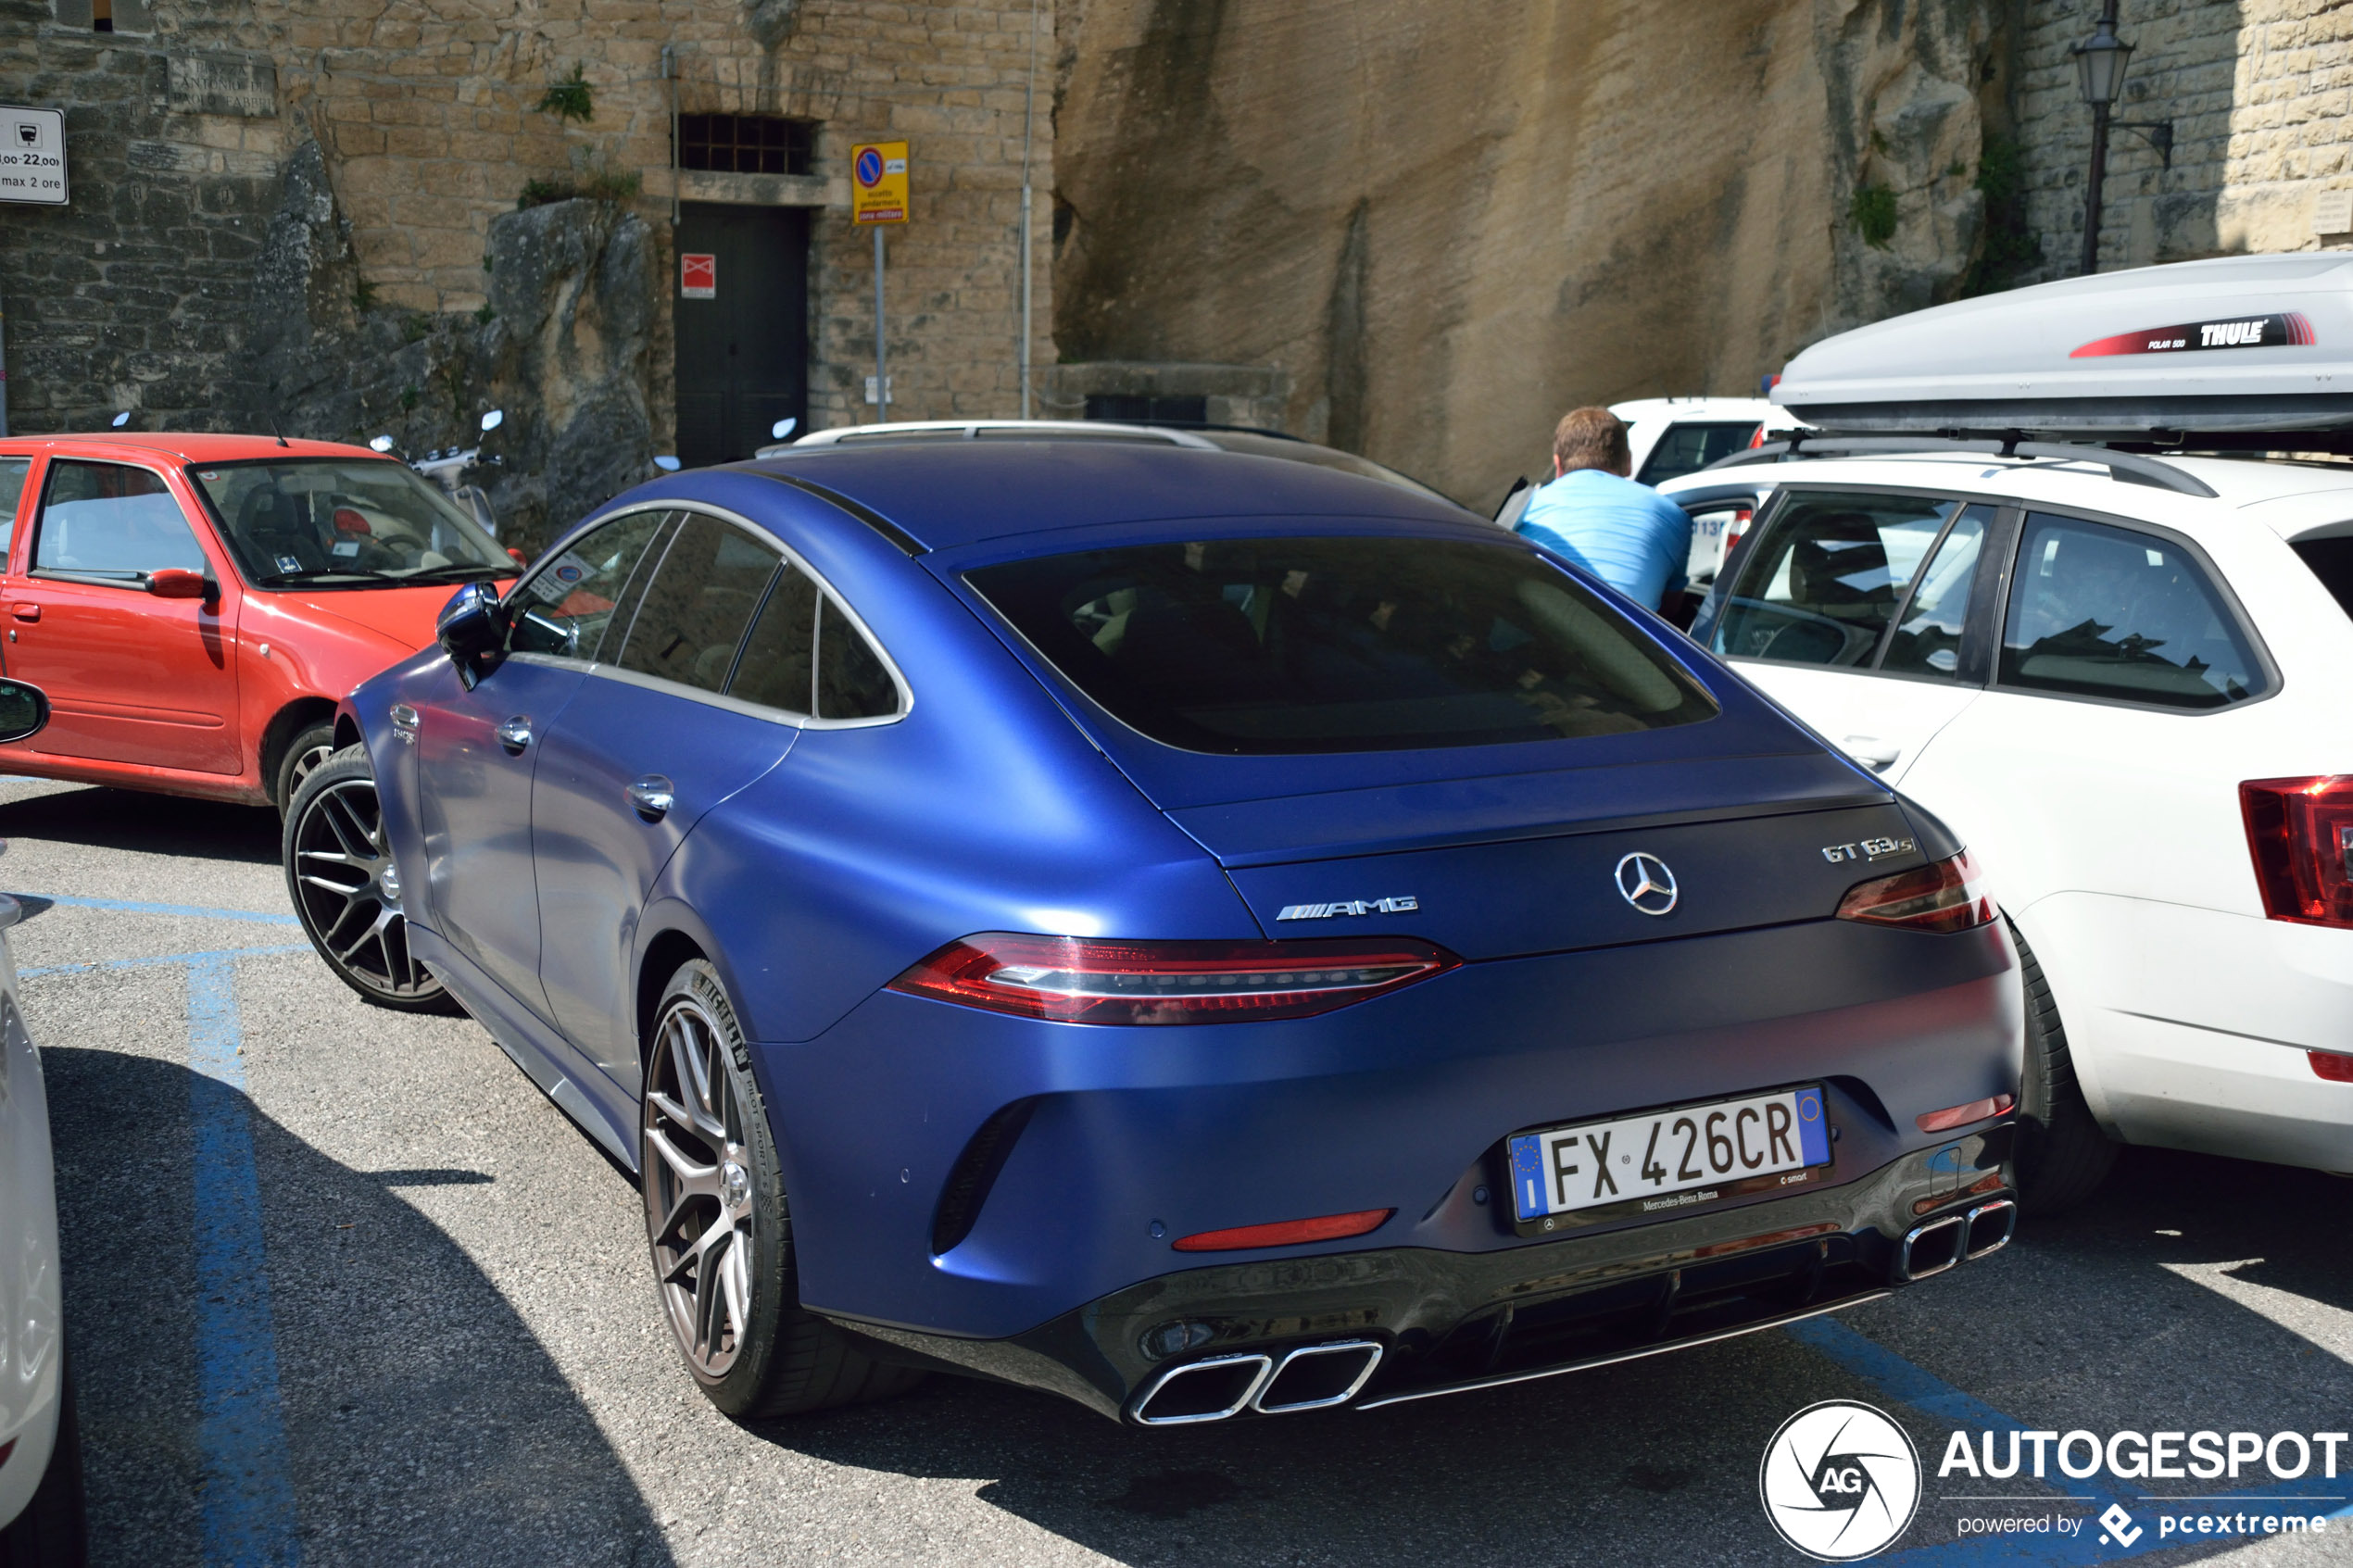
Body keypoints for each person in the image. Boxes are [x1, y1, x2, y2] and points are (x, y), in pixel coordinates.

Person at [1513, 406, 1694, 613]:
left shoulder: (1523, 508)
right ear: (1628, 463)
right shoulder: (1673, 515)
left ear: (1557, 465)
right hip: (1620, 643)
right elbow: (1670, 610)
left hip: (1532, 634)